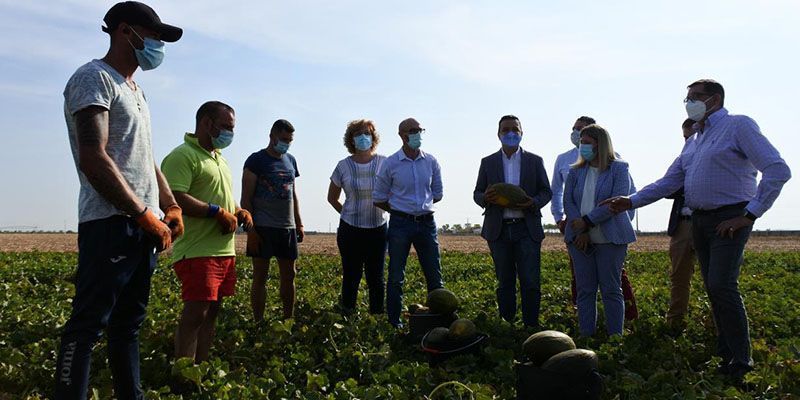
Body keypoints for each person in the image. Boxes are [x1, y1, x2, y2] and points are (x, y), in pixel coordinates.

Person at [602, 79, 791, 381]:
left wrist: (749, 214)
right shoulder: (695, 140)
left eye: (695, 97)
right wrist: (631, 201)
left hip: (729, 219)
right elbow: (669, 182)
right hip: (699, 222)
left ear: (714, 100)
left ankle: (742, 362)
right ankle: (726, 354)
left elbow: (778, 170)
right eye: (687, 99)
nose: (689, 103)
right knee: (714, 288)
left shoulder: (738, 126)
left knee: (722, 286)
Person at [56, 2, 183, 398]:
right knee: (88, 325)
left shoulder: (136, 90)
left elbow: (144, 156)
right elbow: (95, 158)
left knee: (127, 326)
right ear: (125, 31)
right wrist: (143, 213)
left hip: (143, 225)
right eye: (155, 35)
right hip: (110, 224)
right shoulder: (94, 78)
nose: (158, 45)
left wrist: (170, 204)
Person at [161, 101, 253, 362]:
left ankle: (199, 367)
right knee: (195, 314)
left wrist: (236, 210)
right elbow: (174, 196)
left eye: (232, 128)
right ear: (206, 123)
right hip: (197, 251)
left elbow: (221, 197)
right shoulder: (183, 155)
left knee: (212, 312)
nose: (230, 133)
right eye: (226, 127)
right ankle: (184, 372)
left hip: (223, 250)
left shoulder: (219, 159)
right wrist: (215, 212)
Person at [551, 116, 639, 321]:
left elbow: (614, 203)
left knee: (611, 289)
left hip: (610, 238)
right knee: (585, 290)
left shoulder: (619, 168)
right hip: (580, 239)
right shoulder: (575, 171)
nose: (582, 147)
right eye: (581, 142)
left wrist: (587, 221)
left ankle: (615, 339)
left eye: (587, 143)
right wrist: (581, 230)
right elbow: (569, 202)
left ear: (600, 144)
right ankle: (587, 336)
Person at [473, 115, 552, 327]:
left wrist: (532, 203)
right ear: (498, 134)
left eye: (514, 129)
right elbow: (477, 193)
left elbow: (546, 191)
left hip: (526, 229)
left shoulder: (534, 161)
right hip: (499, 231)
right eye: (506, 130)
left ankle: (530, 326)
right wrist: (485, 199)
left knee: (530, 281)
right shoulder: (488, 162)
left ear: (521, 133)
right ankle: (507, 325)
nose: (510, 133)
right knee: (505, 282)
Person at [373, 117, 444, 328]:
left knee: (434, 274)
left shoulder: (431, 161)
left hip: (426, 223)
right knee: (396, 276)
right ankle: (395, 322)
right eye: (413, 131)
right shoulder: (391, 163)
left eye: (420, 130)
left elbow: (437, 193)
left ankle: (438, 321)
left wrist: (419, 206)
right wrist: (399, 209)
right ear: (402, 135)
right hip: (400, 224)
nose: (417, 134)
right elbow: (379, 197)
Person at [242, 119, 304, 321]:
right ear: (272, 136)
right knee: (260, 276)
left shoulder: (291, 160)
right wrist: (251, 231)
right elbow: (246, 198)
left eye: (290, 140)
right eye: (283, 139)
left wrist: (299, 223)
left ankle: (288, 320)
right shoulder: (256, 160)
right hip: (263, 227)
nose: (286, 143)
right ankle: (257, 321)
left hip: (287, 228)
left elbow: (293, 194)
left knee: (290, 275)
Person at [327, 119, 388, 315]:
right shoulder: (343, 166)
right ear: (351, 140)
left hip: (377, 228)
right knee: (351, 276)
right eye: (358, 134)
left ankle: (377, 318)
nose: (363, 138)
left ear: (373, 137)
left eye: (367, 133)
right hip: (350, 230)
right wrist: (348, 213)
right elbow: (332, 197)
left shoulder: (384, 163)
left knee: (376, 278)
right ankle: (347, 316)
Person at [663, 118, 698, 330]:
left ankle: (720, 328)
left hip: (709, 222)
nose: (688, 142)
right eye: (685, 138)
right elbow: (667, 186)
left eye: (691, 137)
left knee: (717, 282)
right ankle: (675, 324)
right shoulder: (683, 159)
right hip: (683, 223)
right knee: (679, 276)